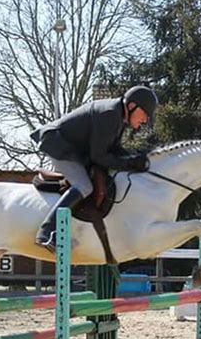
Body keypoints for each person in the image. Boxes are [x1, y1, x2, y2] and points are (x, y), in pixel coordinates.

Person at [31, 85, 158, 251]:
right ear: (132, 106)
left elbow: (112, 149)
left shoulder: (118, 115)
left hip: (74, 149)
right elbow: (99, 156)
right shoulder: (110, 114)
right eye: (145, 114)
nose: (145, 120)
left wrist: (133, 159)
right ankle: (46, 232)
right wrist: (128, 163)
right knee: (84, 186)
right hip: (59, 145)